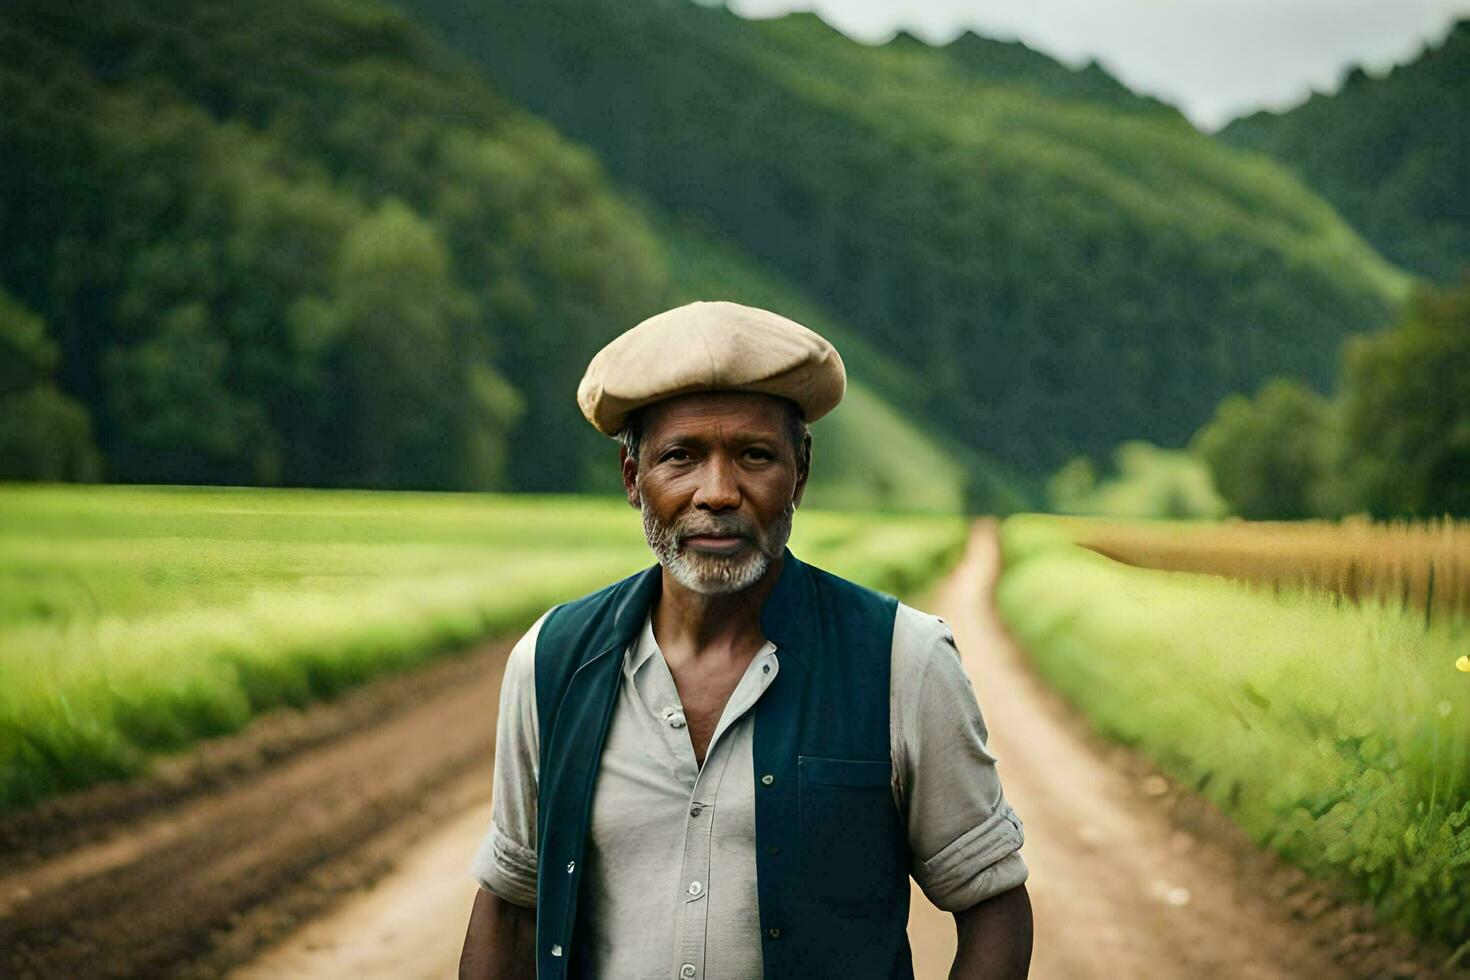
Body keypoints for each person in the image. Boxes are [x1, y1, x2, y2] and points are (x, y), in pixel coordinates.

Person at [460, 300, 1032, 979]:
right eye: (680, 457)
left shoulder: (902, 662)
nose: (718, 492)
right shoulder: (552, 662)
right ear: (632, 481)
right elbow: (509, 909)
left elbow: (994, 905)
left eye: (754, 456)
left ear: (801, 471)